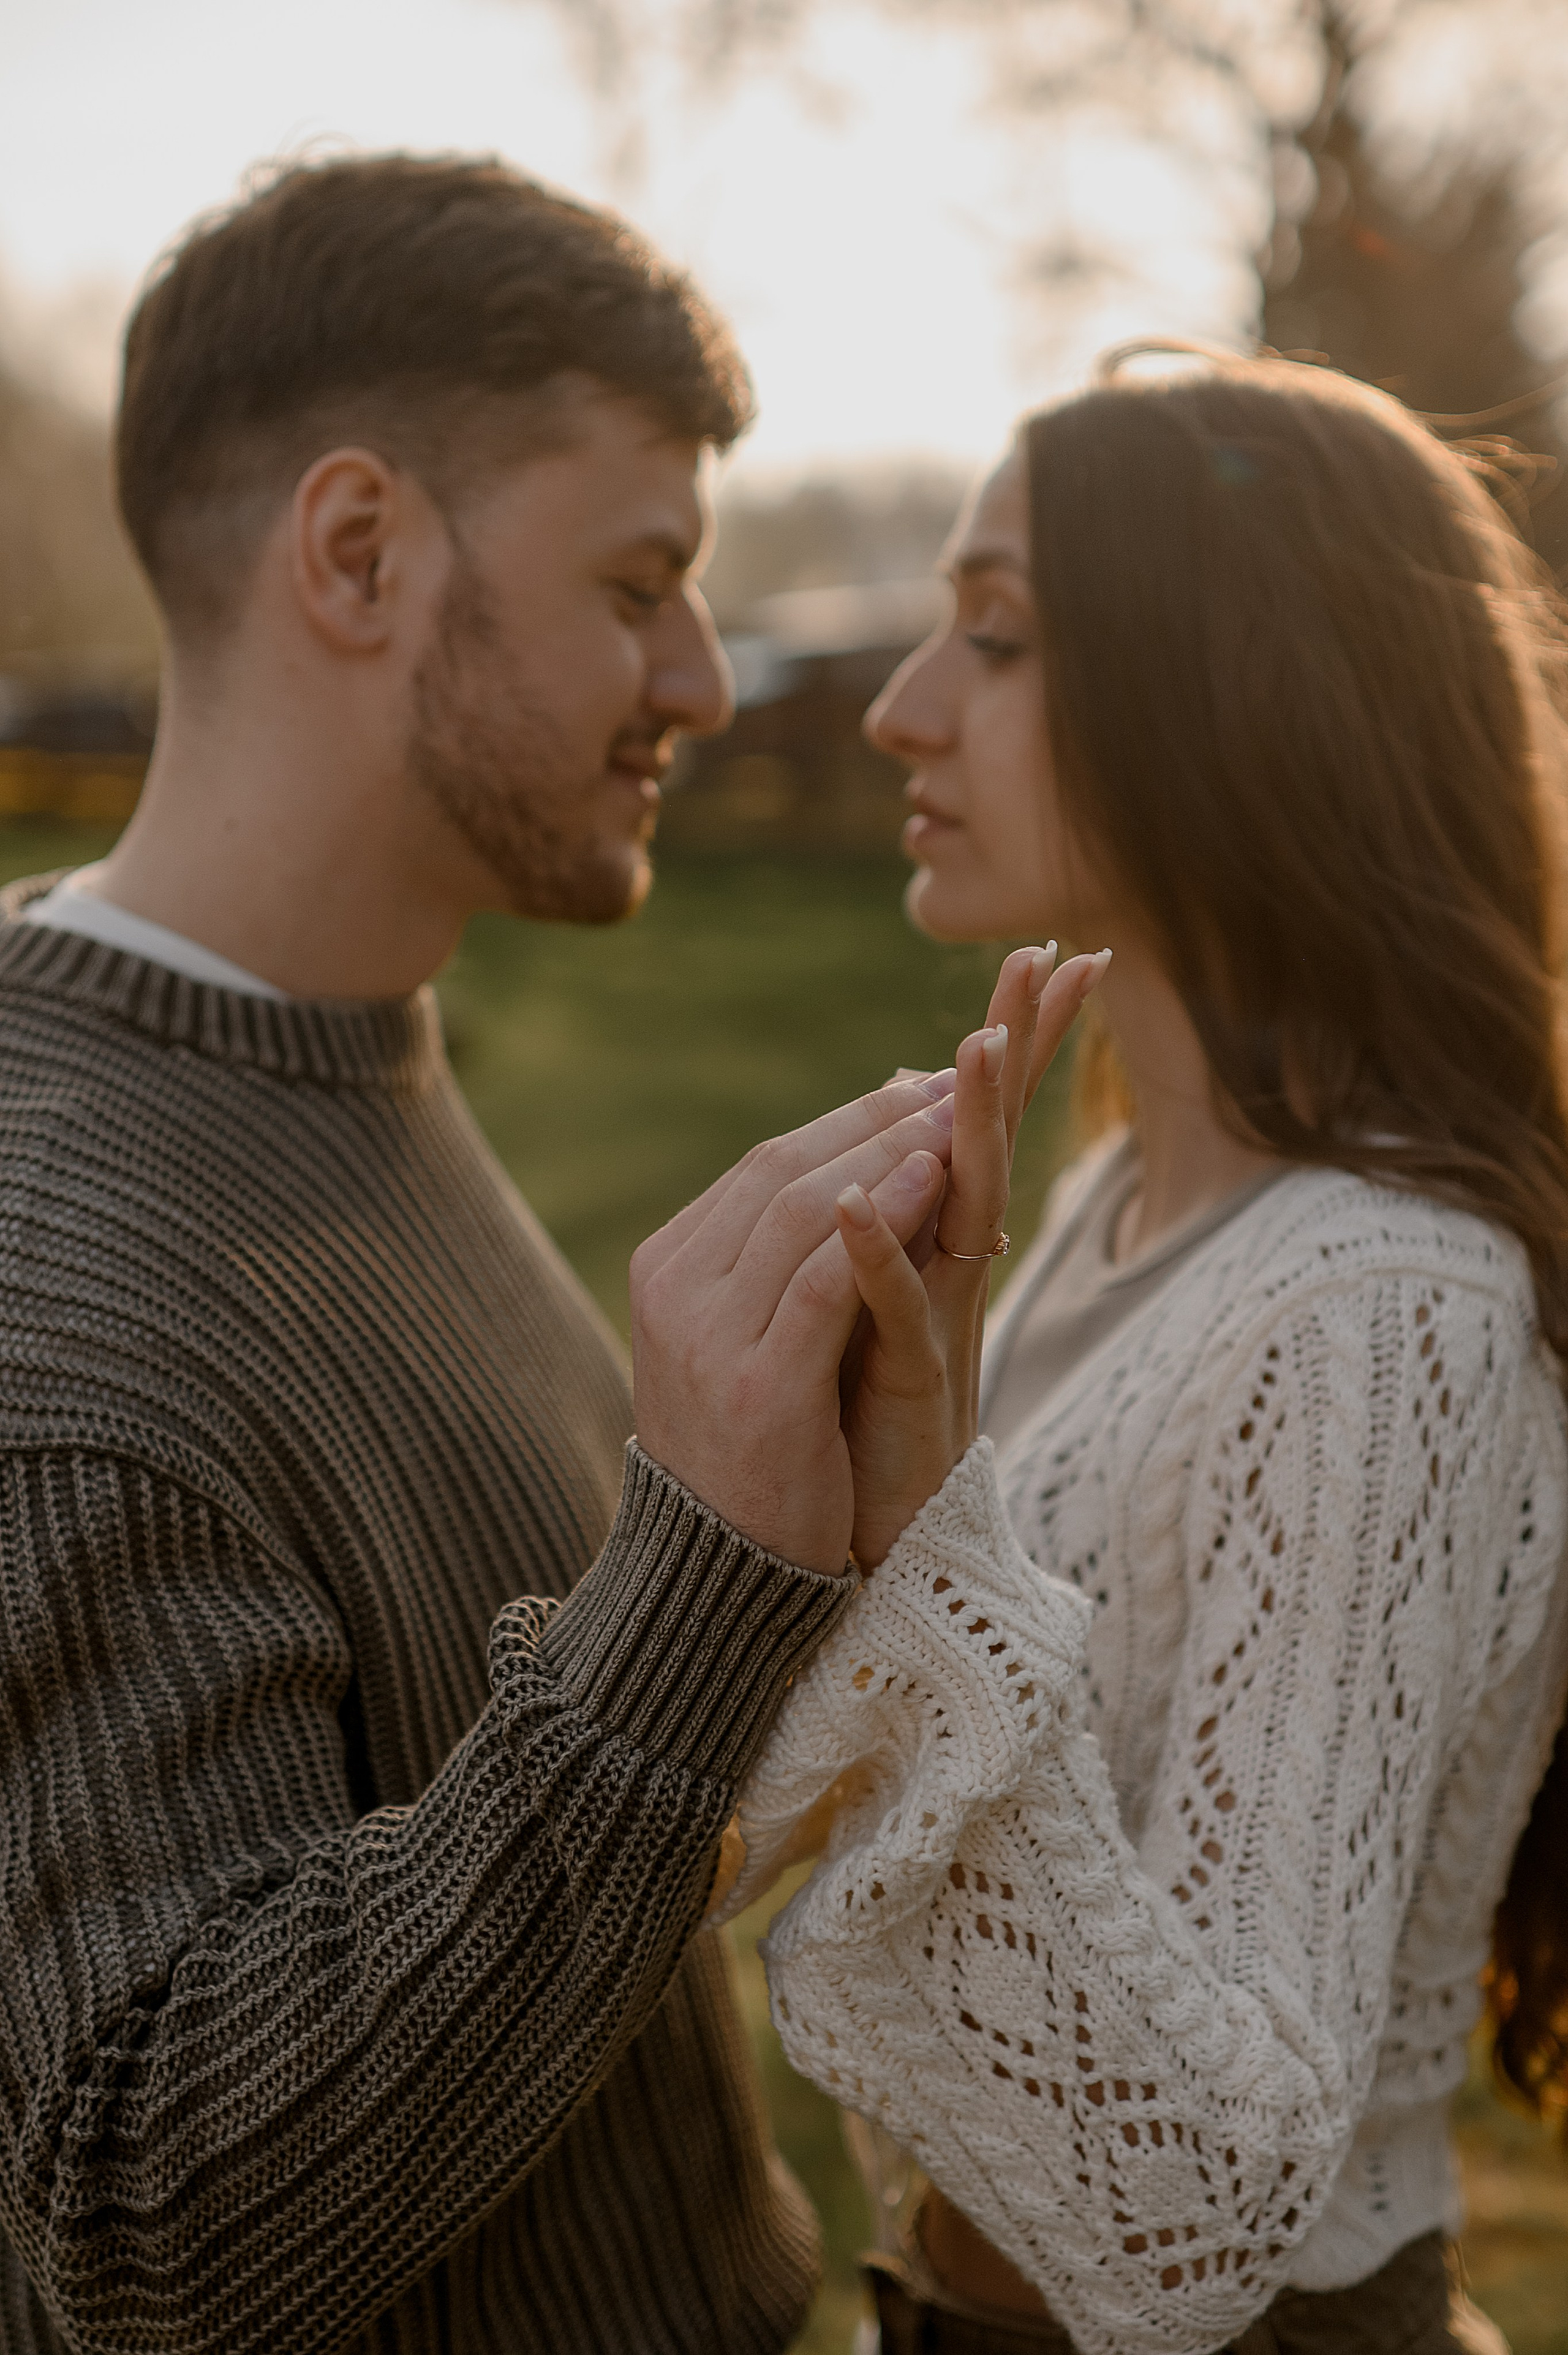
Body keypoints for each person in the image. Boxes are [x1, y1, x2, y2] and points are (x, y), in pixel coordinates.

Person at [0, 150, 1093, 2354]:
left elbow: (520, 1817)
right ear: (360, 550)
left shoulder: (338, 1055)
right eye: (639, 578)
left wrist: (801, 1568)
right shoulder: (52, 1288)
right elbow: (149, 2228)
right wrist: (687, 1562)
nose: (703, 672)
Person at [717, 349, 1568, 2354]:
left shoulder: (1374, 1308)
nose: (900, 705)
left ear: (1239, 694)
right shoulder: (1115, 1214)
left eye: (996, 636)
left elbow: (1200, 2201)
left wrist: (925, 1535)